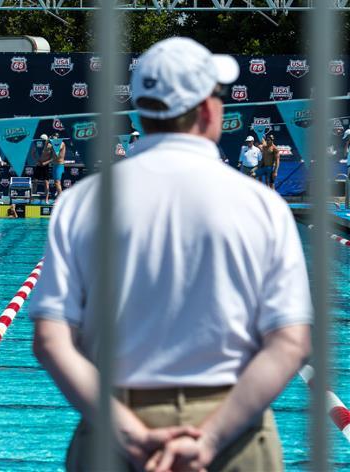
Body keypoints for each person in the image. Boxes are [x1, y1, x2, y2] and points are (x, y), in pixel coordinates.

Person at [30, 37, 312, 472]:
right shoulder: (262, 205)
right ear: (206, 110)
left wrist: (131, 434)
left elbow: (51, 342)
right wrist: (211, 438)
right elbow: (290, 343)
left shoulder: (82, 202)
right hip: (235, 435)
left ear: (142, 112)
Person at [32, 134, 53, 204]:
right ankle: (32, 198)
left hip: (45, 166)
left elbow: (53, 158)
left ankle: (46, 199)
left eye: (44, 141)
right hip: (38, 165)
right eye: (41, 140)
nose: (42, 142)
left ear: (47, 140)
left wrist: (46, 162)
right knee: (35, 182)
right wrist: (36, 161)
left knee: (46, 183)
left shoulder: (50, 146)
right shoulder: (38, 145)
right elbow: (33, 154)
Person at [50, 133, 67, 198]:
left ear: (57, 137)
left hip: (59, 164)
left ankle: (61, 198)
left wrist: (53, 141)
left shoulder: (62, 143)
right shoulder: (53, 143)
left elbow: (57, 148)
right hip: (55, 165)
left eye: (55, 137)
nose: (54, 138)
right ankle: (59, 195)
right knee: (56, 182)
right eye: (53, 136)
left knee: (57, 182)